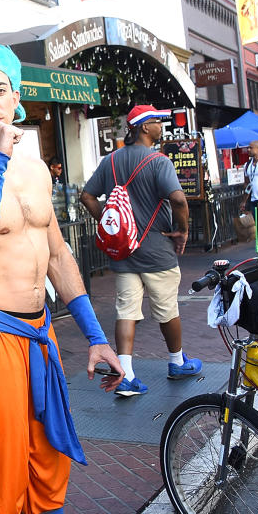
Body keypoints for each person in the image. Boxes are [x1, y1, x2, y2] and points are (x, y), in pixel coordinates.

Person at [0, 38, 123, 514]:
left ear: (16, 96)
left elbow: (59, 255)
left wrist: (95, 336)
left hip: (40, 335)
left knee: (47, 466)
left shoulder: (38, 167)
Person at [80, 104, 200, 398]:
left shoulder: (110, 161)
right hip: (157, 250)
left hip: (124, 253)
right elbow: (179, 201)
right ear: (144, 127)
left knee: (126, 311)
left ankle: (126, 375)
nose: (162, 126)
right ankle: (176, 362)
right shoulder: (159, 162)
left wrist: (112, 224)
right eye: (157, 122)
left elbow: (86, 195)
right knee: (167, 309)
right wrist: (182, 232)